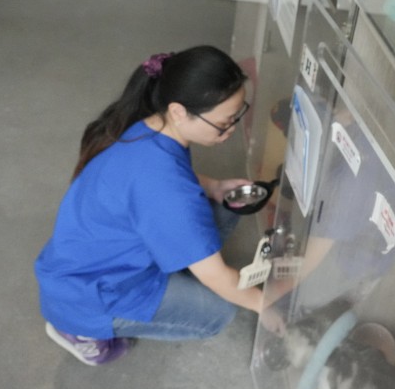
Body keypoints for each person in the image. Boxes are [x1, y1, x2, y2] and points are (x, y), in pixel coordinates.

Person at [34, 46, 282, 366]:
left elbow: (168, 176)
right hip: (92, 294)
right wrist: (264, 304)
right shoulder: (167, 192)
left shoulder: (148, 127)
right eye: (225, 122)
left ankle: (177, 267)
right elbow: (217, 276)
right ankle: (80, 332)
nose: (231, 129)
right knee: (219, 313)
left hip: (86, 263)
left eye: (237, 115)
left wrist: (214, 187)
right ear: (179, 111)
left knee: (220, 210)